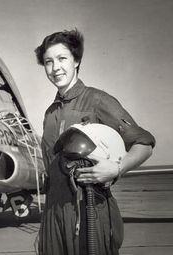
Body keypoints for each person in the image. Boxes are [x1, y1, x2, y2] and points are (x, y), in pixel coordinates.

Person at [35, 29, 155, 255]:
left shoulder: (98, 100)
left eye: (62, 58)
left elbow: (144, 143)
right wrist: (45, 230)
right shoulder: (50, 113)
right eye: (48, 62)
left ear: (77, 60)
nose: (55, 68)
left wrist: (117, 168)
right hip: (53, 216)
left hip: (90, 211)